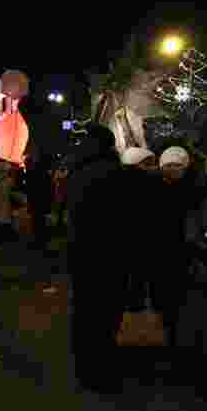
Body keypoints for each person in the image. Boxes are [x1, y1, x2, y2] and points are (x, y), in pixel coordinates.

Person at [66, 124, 130, 394]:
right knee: (105, 314)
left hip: (82, 255)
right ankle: (102, 369)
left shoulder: (77, 173)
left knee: (85, 312)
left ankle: (85, 367)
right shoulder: (117, 174)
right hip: (111, 256)